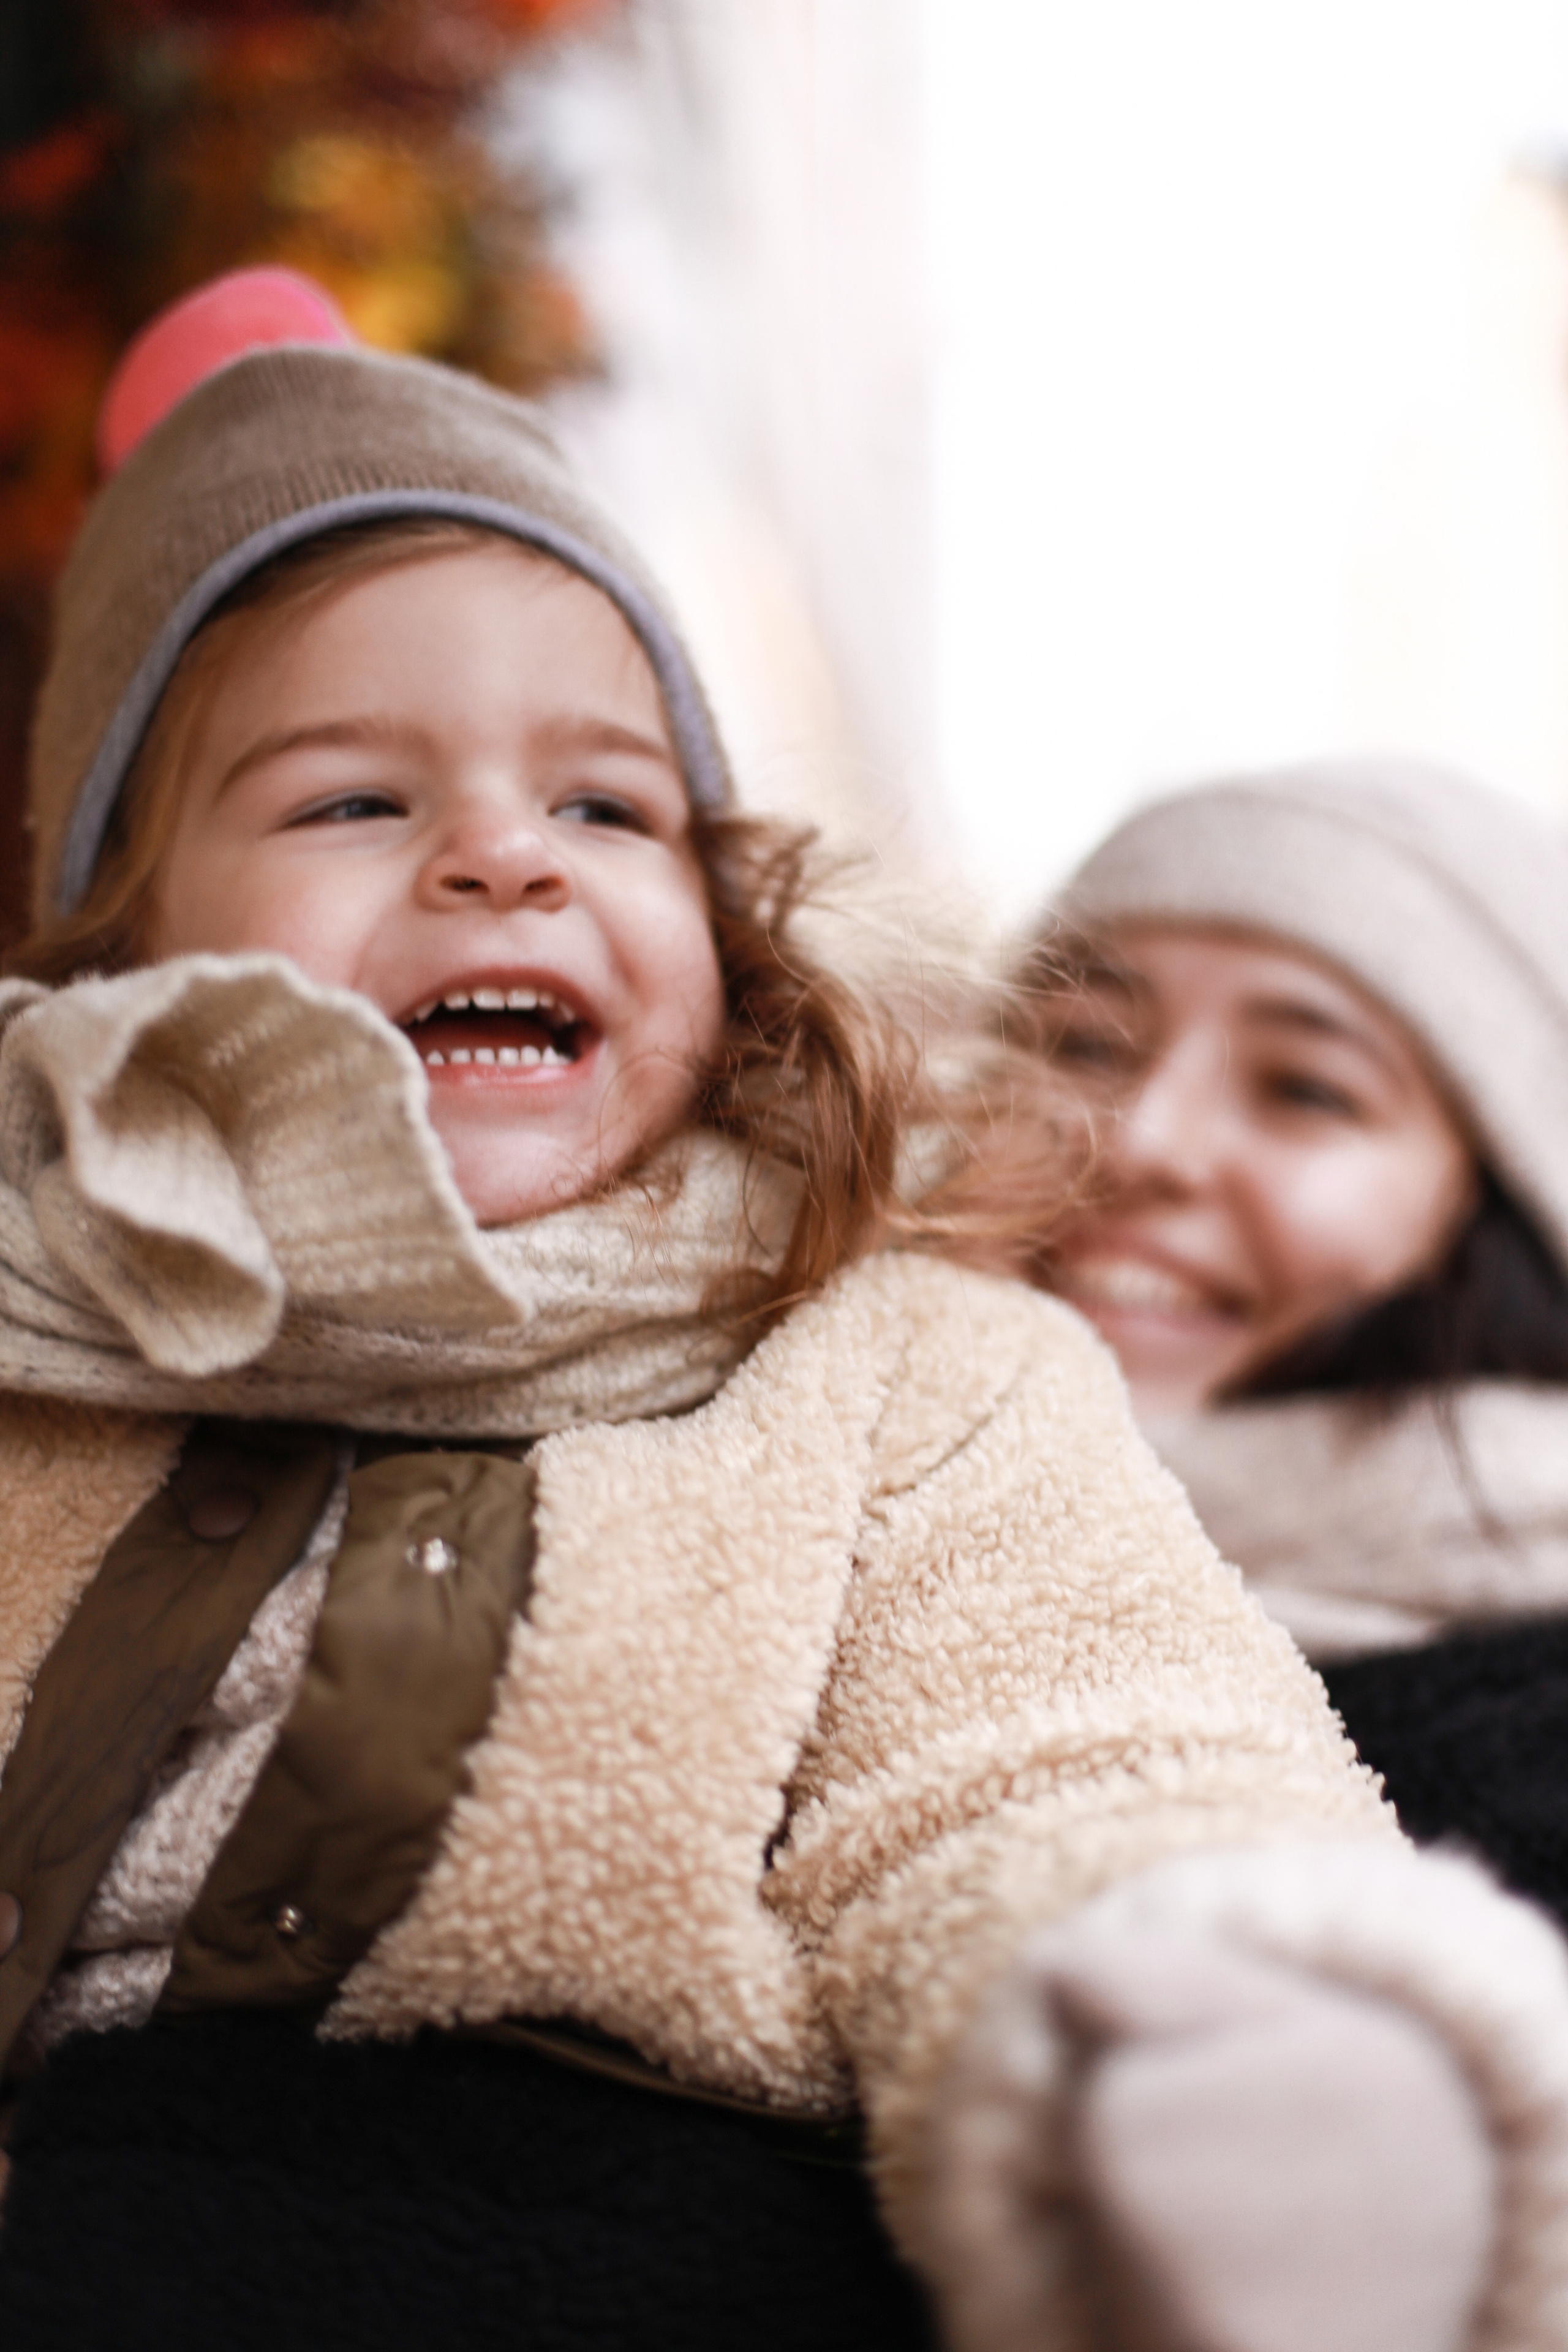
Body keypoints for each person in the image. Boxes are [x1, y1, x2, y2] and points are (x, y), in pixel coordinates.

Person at [0, 284, 1565, 2352]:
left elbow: (1064, 1750)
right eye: (349, 801)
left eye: (609, 807)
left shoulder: (890, 1372)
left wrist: (1215, 2035)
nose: (499, 856)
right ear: (119, 930)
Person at [1028, 758, 1568, 1945]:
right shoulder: (694, 1546)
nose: (1140, 1139)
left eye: (1304, 1089)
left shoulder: (1530, 1749)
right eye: (1079, 1042)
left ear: (1502, 1214)